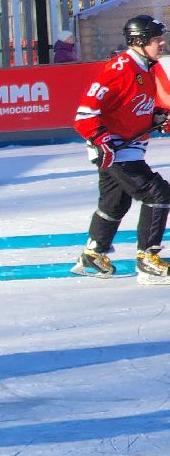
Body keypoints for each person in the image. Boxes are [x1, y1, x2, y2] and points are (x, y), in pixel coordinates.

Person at [71, 14, 170, 283]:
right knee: (158, 193)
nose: (162, 43)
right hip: (116, 150)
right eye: (155, 39)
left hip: (129, 148)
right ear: (138, 41)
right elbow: (85, 113)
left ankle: (93, 255)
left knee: (115, 203)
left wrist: (157, 118)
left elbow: (129, 108)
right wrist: (101, 141)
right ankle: (147, 260)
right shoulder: (121, 69)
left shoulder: (146, 68)